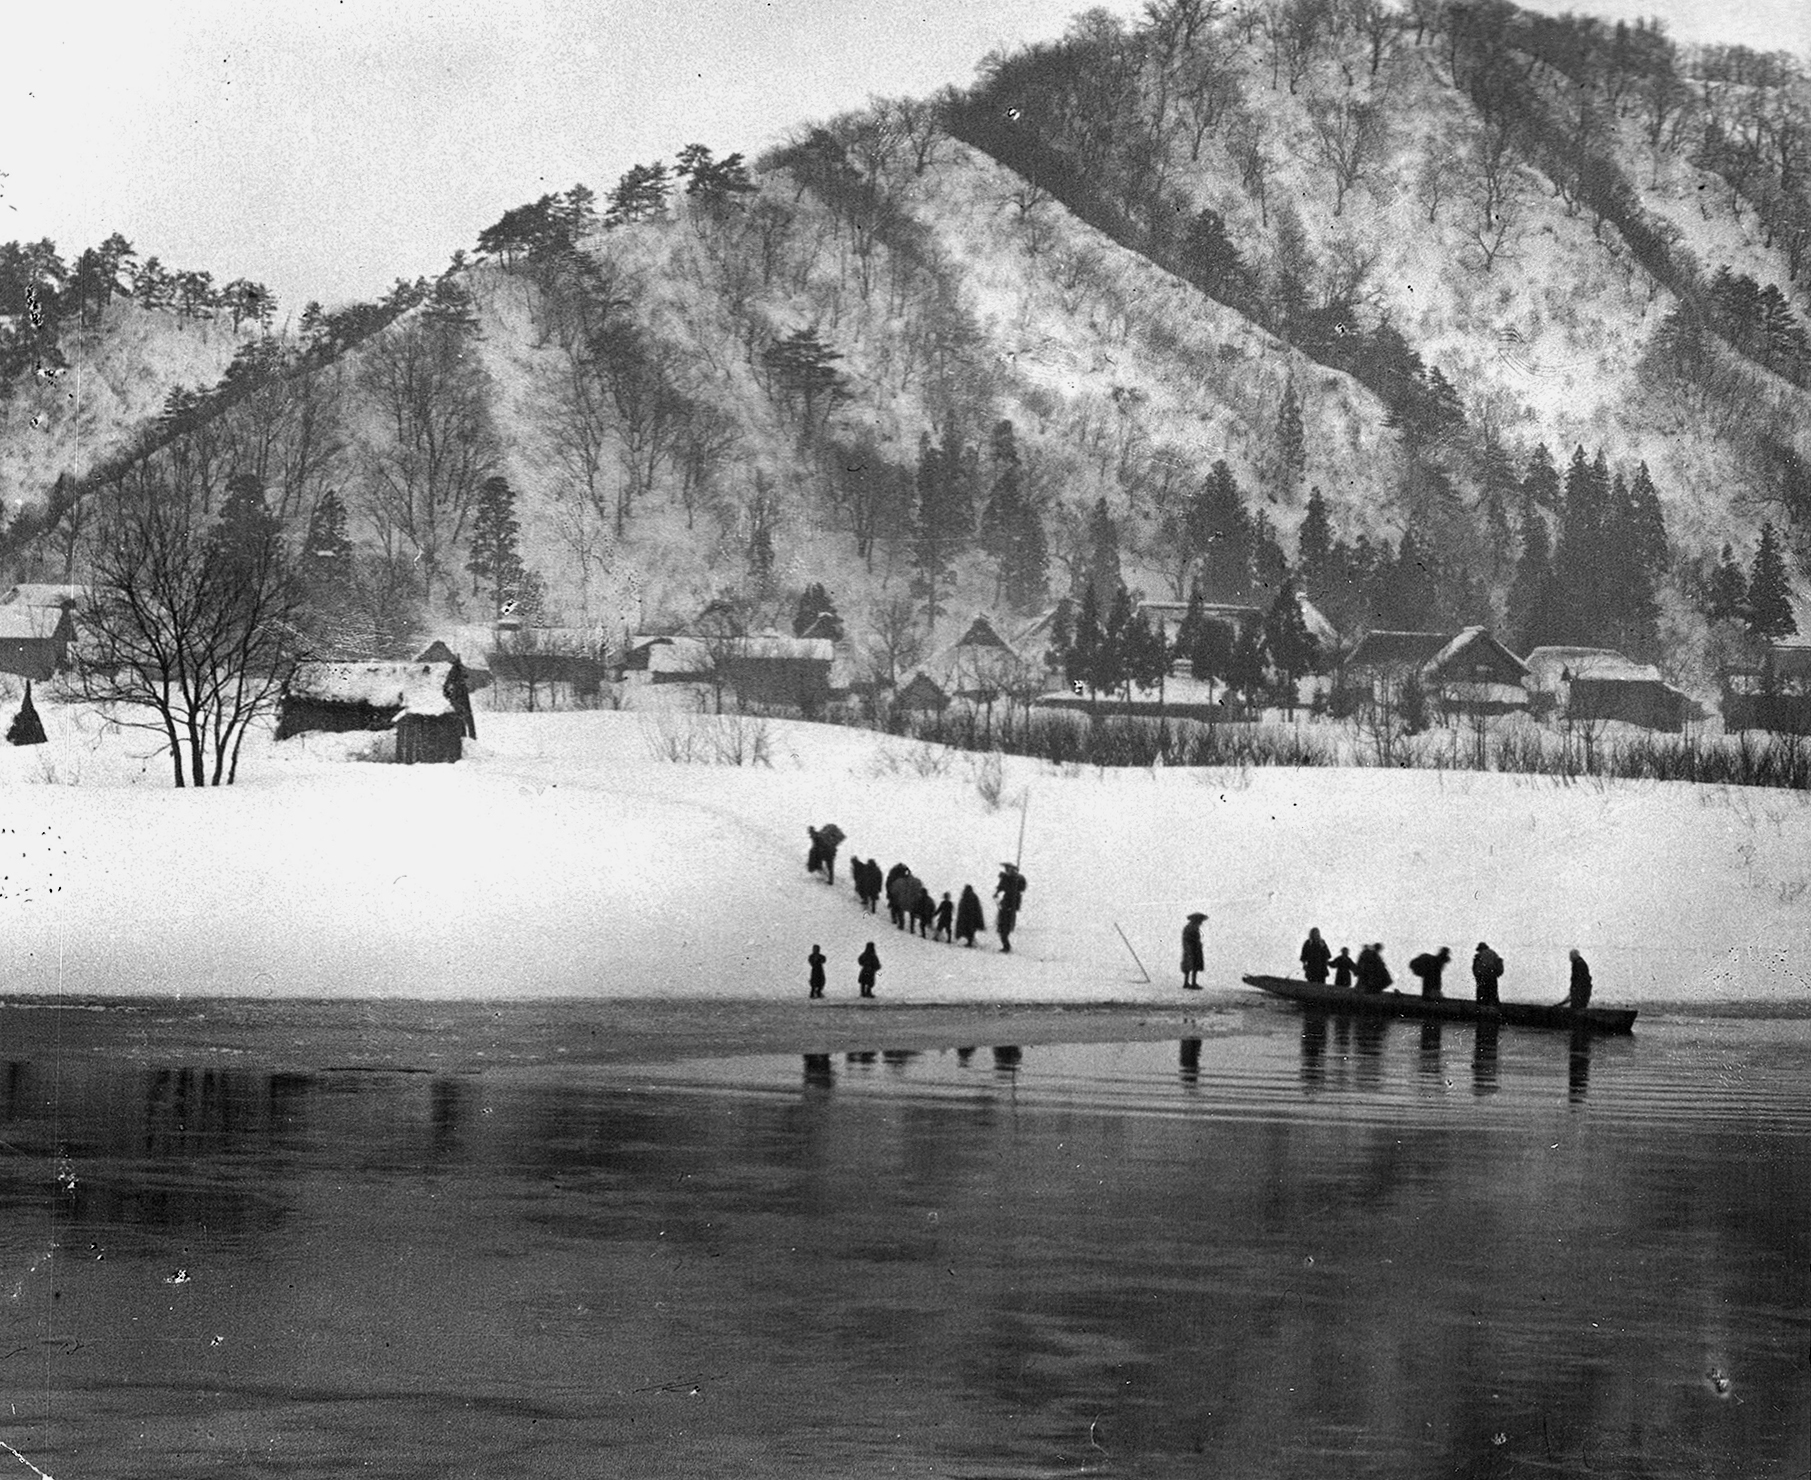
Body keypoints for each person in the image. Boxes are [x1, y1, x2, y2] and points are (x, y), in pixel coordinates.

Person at [1472, 941, 1504, 1005]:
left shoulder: (1479, 955)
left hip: (1482, 976)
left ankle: (1481, 1007)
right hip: (1492, 975)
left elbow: (1475, 967)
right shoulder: (1493, 953)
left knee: (1481, 993)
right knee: (1493, 992)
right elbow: (1499, 963)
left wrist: (1476, 975)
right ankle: (1494, 1007)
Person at [1181, 912, 1207, 990]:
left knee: (1188, 966)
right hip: (1193, 949)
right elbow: (1192, 939)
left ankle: (1186, 982)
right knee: (1194, 966)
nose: (1201, 922)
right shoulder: (1193, 928)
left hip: (1189, 949)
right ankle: (1193, 983)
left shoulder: (1188, 927)